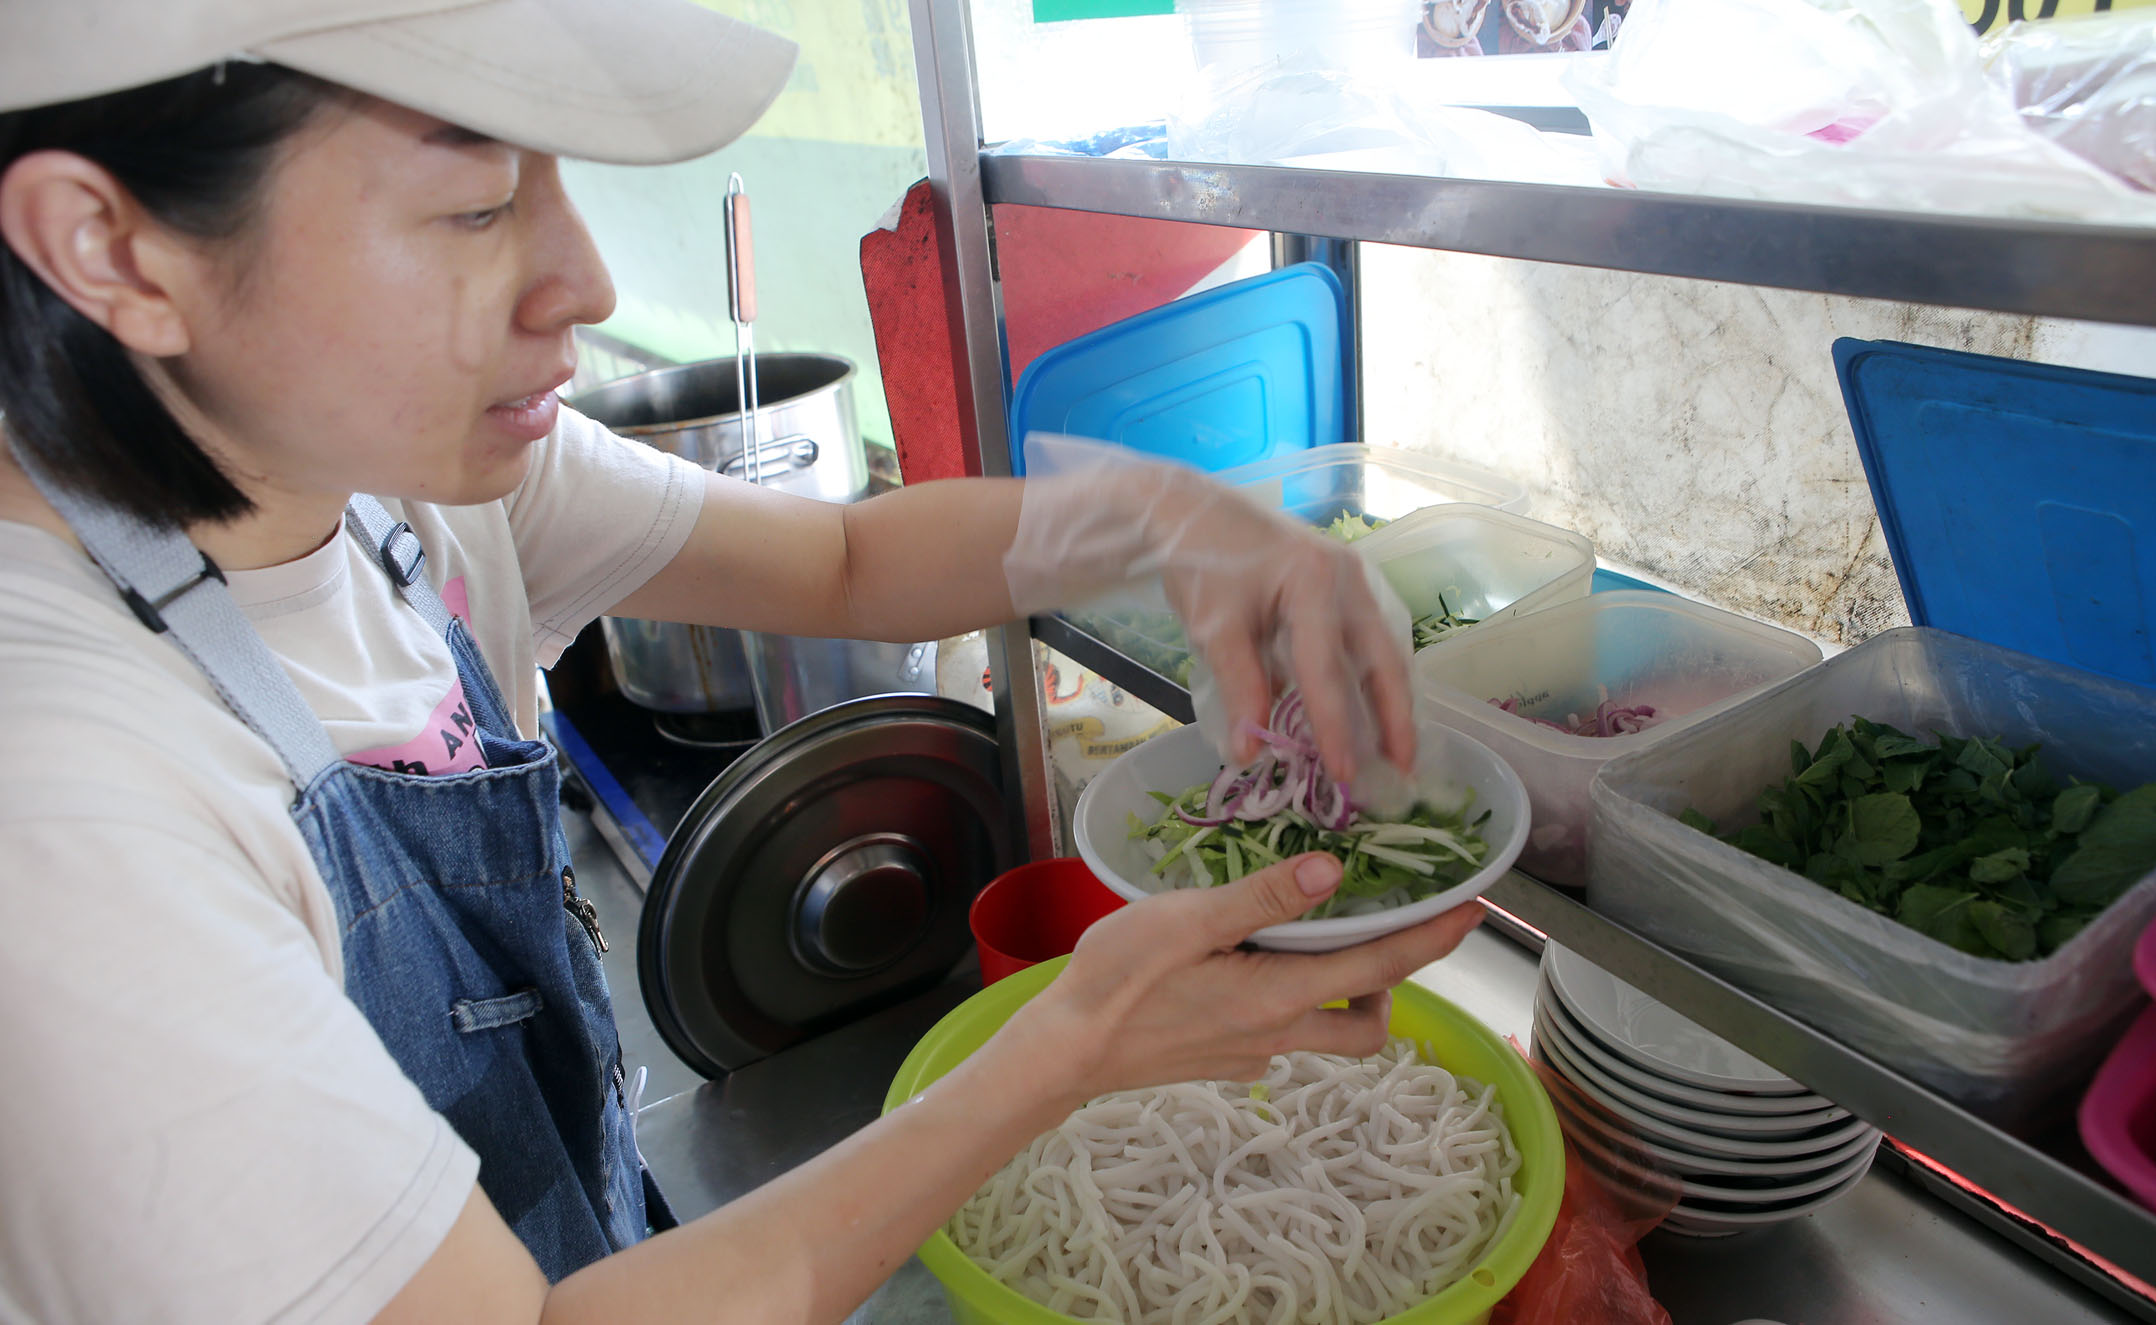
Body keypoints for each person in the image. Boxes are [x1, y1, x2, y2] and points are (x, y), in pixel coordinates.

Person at [0, 2, 1485, 1321]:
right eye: (476, 203)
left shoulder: (400, 484)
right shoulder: (67, 808)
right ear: (112, 249)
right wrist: (1068, 1046)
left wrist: (1178, 517)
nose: (579, 275)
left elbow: (845, 561)